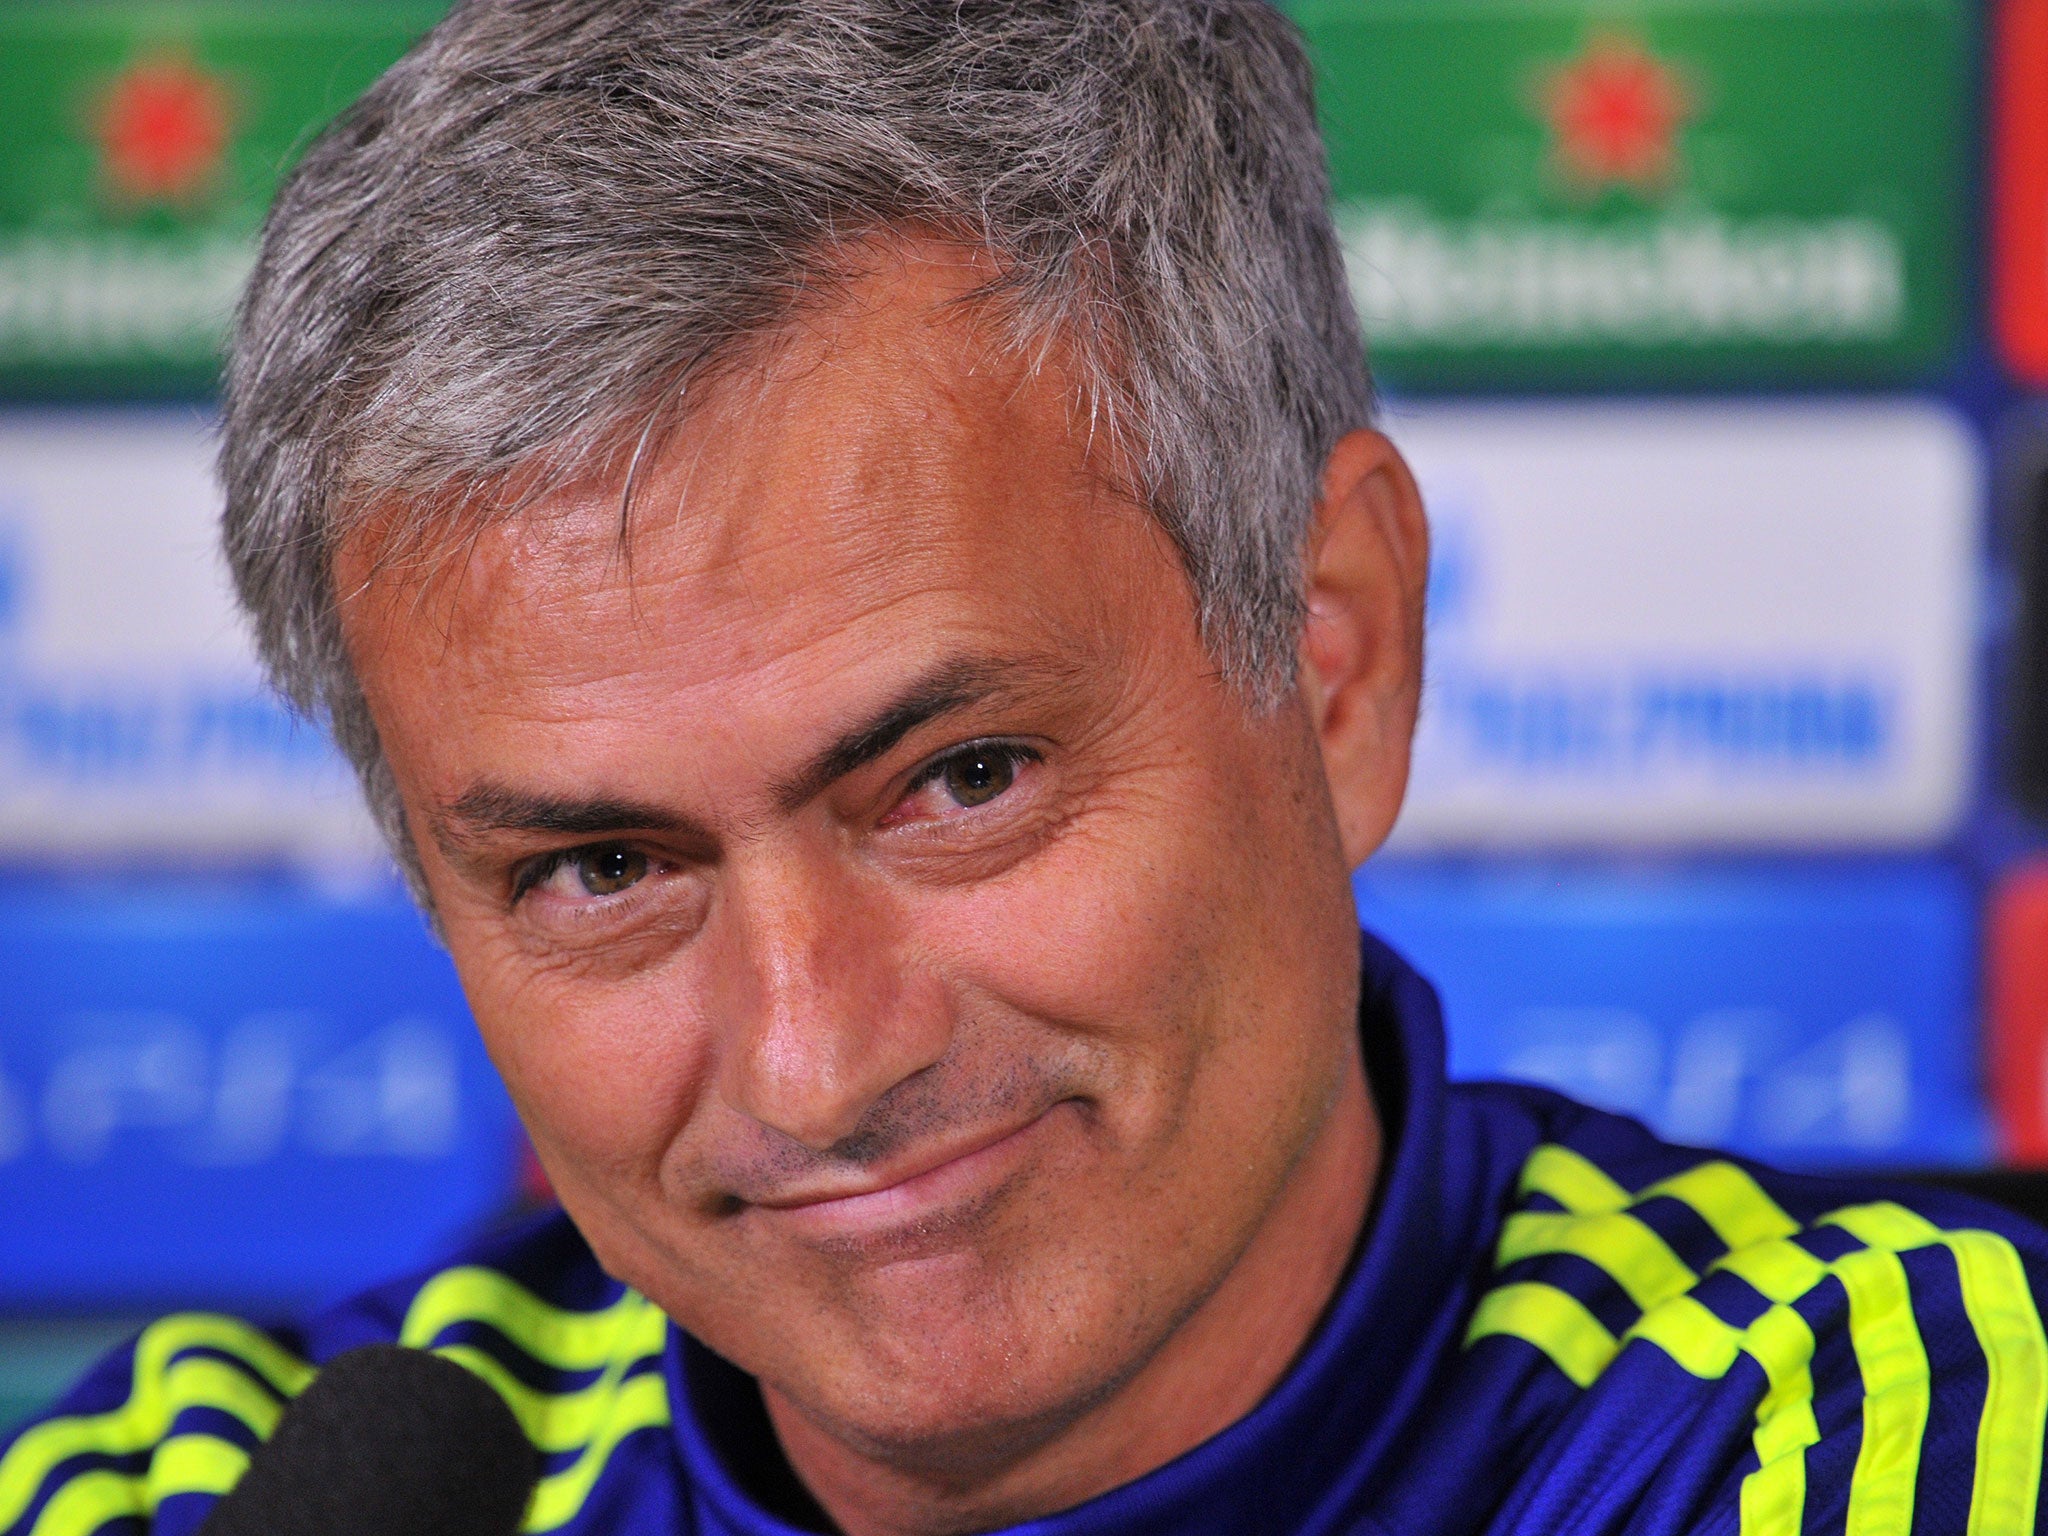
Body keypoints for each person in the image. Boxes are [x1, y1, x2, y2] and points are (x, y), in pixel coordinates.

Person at [6, 2, 2046, 1533]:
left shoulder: (1866, 1424)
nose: (817, 1063)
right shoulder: (200, 1487)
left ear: (1334, 662)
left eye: (959, 778)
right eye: (603, 871)